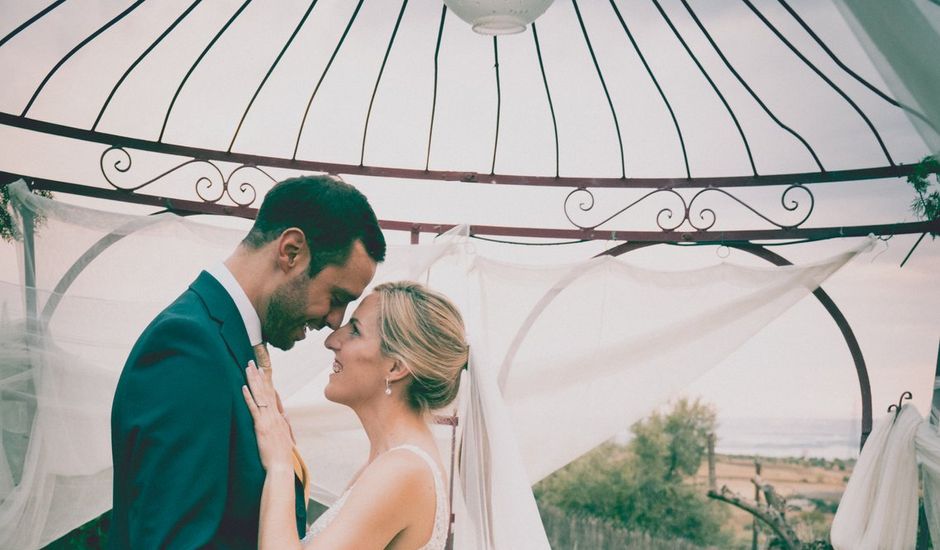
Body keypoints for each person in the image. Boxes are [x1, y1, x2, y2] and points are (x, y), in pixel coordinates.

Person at [110, 175, 386, 549]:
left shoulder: (226, 344)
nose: (335, 320)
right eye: (336, 296)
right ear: (291, 251)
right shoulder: (188, 349)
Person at [242, 281, 469, 549]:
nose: (331, 340)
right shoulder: (389, 462)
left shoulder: (403, 470)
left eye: (355, 331)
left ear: (396, 366)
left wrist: (279, 466)